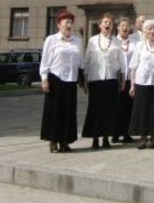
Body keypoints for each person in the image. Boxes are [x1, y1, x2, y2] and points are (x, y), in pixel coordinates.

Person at [40, 10, 83, 153]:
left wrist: (82, 79)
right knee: (55, 112)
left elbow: (80, 62)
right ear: (59, 25)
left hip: (71, 80)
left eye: (71, 22)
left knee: (69, 112)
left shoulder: (77, 41)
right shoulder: (51, 40)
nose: (69, 25)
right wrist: (44, 78)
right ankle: (53, 141)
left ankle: (65, 141)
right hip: (55, 79)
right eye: (66, 22)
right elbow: (45, 60)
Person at [82, 13, 126, 150]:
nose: (107, 25)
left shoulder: (117, 41)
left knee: (109, 110)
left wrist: (123, 78)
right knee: (95, 110)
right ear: (100, 25)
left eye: (110, 23)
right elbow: (87, 61)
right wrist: (85, 79)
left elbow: (122, 61)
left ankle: (106, 137)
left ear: (113, 26)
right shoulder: (93, 40)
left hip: (111, 79)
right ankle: (95, 138)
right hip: (96, 80)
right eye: (105, 22)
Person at [128, 19, 154, 149]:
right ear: (145, 32)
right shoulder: (139, 45)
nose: (152, 31)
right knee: (142, 110)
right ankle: (143, 137)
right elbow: (133, 67)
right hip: (142, 82)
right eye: (149, 29)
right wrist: (132, 85)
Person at [112, 17, 137, 143]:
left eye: (127, 26)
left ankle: (127, 133)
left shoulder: (134, 43)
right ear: (118, 28)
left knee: (128, 107)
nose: (125, 28)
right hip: (117, 78)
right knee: (116, 106)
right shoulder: (114, 42)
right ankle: (115, 133)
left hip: (130, 79)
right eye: (122, 25)